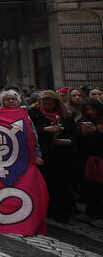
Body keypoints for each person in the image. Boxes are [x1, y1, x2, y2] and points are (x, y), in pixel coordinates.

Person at [29, 90, 78, 222]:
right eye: (45, 104)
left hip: (62, 154)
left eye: (50, 104)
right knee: (46, 183)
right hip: (44, 154)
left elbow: (73, 133)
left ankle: (62, 212)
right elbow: (30, 131)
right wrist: (44, 130)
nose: (48, 106)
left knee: (62, 184)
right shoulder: (33, 113)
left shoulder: (66, 115)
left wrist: (68, 141)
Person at [77, 99, 103, 225]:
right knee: (89, 188)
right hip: (87, 159)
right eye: (87, 109)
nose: (91, 112)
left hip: (100, 158)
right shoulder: (82, 121)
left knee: (100, 189)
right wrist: (82, 133)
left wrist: (97, 132)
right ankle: (91, 212)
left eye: (93, 109)